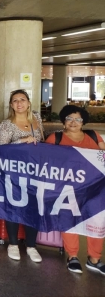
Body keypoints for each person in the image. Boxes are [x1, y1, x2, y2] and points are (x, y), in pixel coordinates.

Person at [45, 105, 105, 275]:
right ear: (63, 121)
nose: (73, 122)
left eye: (78, 119)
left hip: (94, 189)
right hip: (67, 190)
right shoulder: (55, 138)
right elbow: (44, 160)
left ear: (83, 122)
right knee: (69, 220)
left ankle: (95, 259)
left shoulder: (94, 136)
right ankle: (73, 256)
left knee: (96, 222)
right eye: (69, 118)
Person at [0, 89, 44, 263]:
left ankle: (31, 246)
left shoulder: (36, 119)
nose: (19, 103)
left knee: (34, 208)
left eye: (22, 100)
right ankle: (13, 244)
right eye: (15, 100)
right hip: (14, 172)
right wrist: (21, 141)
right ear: (11, 105)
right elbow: (2, 149)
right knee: (15, 207)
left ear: (28, 102)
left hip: (35, 172)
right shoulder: (6, 125)